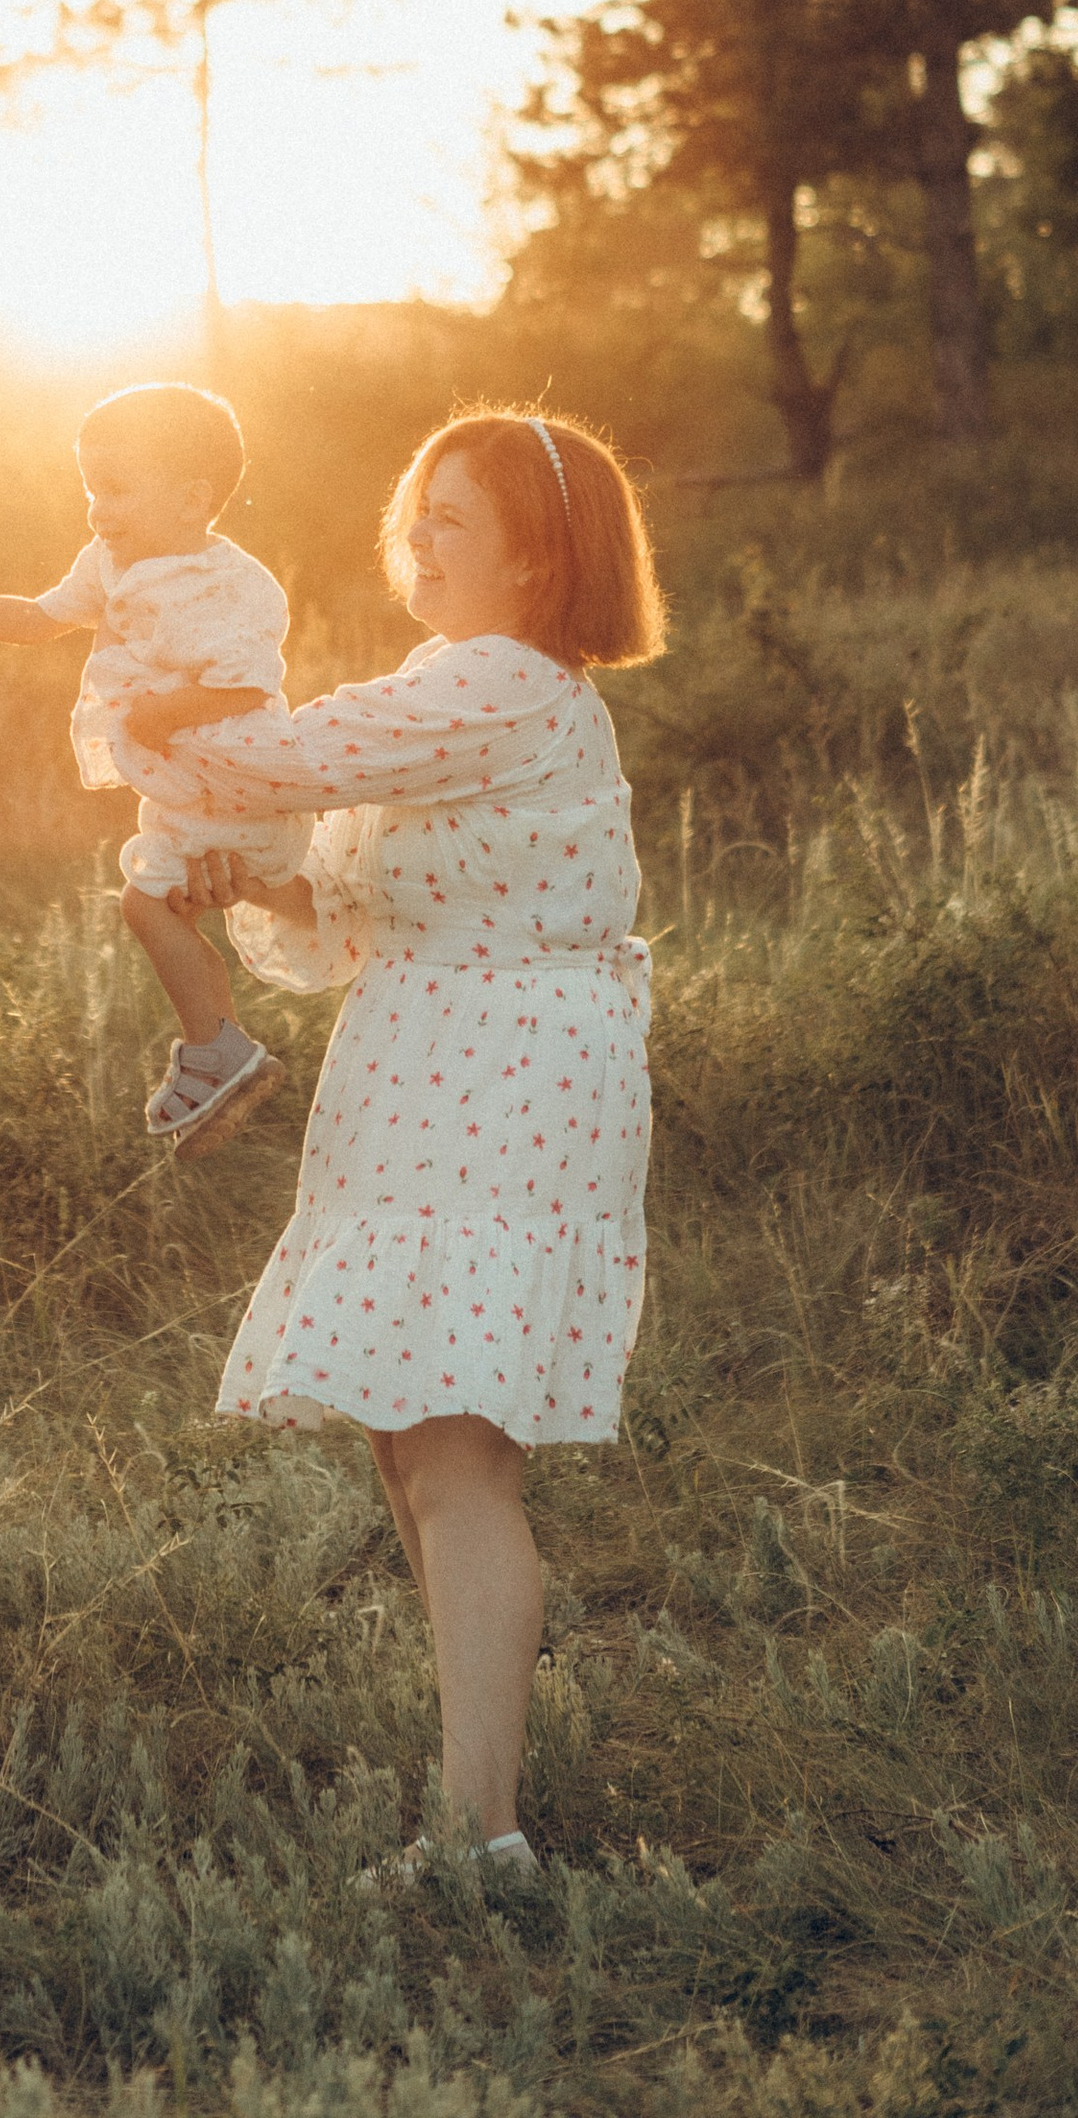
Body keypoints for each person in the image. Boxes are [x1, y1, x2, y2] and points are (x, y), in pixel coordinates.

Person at [121, 404, 664, 1879]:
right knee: (414, 1445)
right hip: (436, 1064)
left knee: (455, 1457)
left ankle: (483, 1836)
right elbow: (356, 912)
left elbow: (281, 758)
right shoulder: (456, 681)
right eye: (414, 512)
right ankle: (472, 1814)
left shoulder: (504, 681)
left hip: (504, 1073)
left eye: (452, 520)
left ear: (536, 561)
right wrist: (259, 886)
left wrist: (148, 703)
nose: (417, 539)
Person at [0, 382, 312, 1146]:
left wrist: (163, 713)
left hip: (237, 778)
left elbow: (249, 684)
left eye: (115, 489)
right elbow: (42, 617)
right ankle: (221, 1046)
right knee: (167, 904)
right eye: (90, 489)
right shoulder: (108, 563)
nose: (97, 509)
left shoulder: (233, 584)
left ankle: (220, 1049)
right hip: (186, 790)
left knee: (147, 905)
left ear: (193, 499)